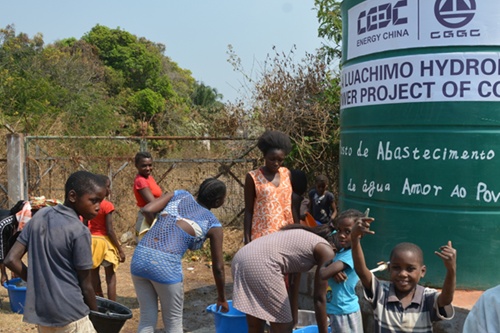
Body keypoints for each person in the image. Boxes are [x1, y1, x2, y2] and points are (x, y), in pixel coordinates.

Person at [4, 171, 107, 332]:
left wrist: (35, 282)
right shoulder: (79, 230)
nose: (98, 207)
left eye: (100, 201)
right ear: (73, 196)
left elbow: (11, 259)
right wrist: (97, 316)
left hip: (44, 315)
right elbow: (86, 284)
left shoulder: (39, 216)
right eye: (93, 201)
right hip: (72, 314)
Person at [130, 178, 229, 333]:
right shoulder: (212, 224)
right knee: (173, 323)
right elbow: (218, 268)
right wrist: (222, 298)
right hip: (165, 266)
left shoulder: (180, 194)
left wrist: (158, 229)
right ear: (218, 202)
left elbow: (148, 209)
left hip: (140, 256)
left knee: (147, 318)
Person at [351, 215, 456, 332]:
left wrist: (451, 270)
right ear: (389, 268)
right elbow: (361, 271)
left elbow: (446, 300)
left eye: (410, 269)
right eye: (396, 268)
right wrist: (355, 240)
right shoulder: (381, 292)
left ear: (422, 271)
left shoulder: (427, 298)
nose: (402, 274)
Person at [232, 223, 337, 333]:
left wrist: (294, 320)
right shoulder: (327, 250)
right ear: (334, 247)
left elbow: (293, 284)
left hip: (241, 259)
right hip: (261, 265)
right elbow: (319, 298)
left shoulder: (305, 238)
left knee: (256, 324)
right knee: (283, 326)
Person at [244, 130, 294, 244]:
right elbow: (248, 211)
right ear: (264, 156)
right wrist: (246, 239)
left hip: (285, 234)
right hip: (262, 235)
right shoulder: (253, 177)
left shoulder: (286, 174)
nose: (276, 163)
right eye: (272, 159)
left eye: (280, 160)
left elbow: (290, 205)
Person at [323, 209, 364, 333]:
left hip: (344, 311)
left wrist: (329, 265)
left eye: (347, 232)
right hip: (336, 309)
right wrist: (333, 268)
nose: (341, 235)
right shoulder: (340, 253)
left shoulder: (351, 255)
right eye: (339, 230)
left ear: (358, 234)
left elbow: (323, 273)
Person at [87, 175, 126, 301]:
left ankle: (99, 303)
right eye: (108, 187)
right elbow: (109, 230)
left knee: (94, 276)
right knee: (110, 277)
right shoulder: (107, 205)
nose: (109, 190)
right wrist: (119, 249)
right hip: (105, 243)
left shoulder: (88, 204)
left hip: (92, 243)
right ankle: (113, 305)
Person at [133, 151, 163, 240]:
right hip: (147, 219)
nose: (148, 168)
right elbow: (153, 203)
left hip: (153, 216)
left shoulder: (149, 178)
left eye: (150, 165)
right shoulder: (141, 181)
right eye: (144, 166)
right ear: (136, 166)